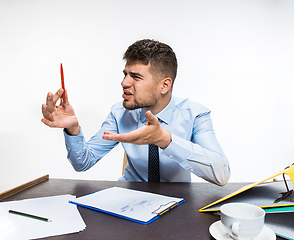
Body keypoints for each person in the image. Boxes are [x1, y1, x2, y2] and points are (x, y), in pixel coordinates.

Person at [41, 39, 230, 186]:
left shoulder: (195, 114)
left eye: (136, 77)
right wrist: (73, 130)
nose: (124, 83)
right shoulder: (119, 112)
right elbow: (82, 163)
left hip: (178, 205)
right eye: (125, 74)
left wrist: (165, 139)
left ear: (164, 85)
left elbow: (221, 174)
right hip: (129, 200)